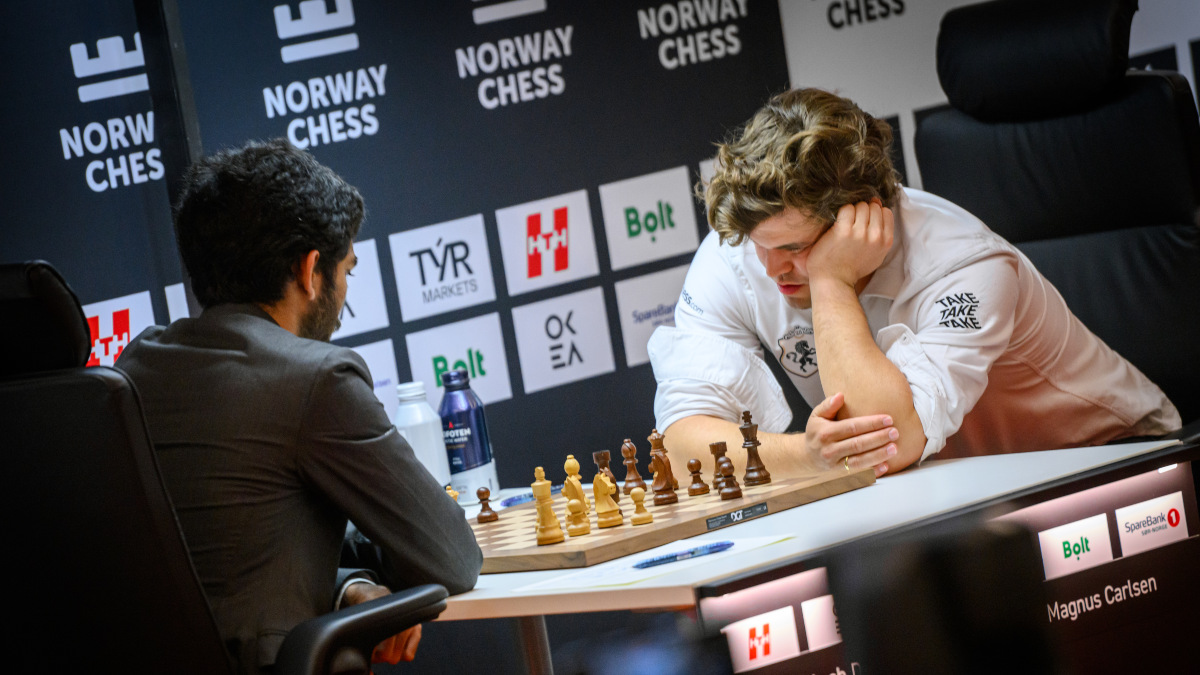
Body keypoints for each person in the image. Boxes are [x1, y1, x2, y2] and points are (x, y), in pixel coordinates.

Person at [648, 88, 1180, 478]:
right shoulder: (745, 246)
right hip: (944, 486)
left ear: (862, 217)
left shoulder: (968, 266)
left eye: (793, 248)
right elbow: (682, 440)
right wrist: (807, 457)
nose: (768, 269)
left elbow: (884, 445)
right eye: (759, 245)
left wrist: (832, 280)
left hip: (1116, 464)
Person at [117, 138, 482, 674]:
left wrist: (347, 585)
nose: (343, 297)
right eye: (347, 271)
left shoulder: (137, 365)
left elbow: (217, 570)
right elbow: (451, 557)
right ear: (311, 271)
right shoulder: (319, 378)